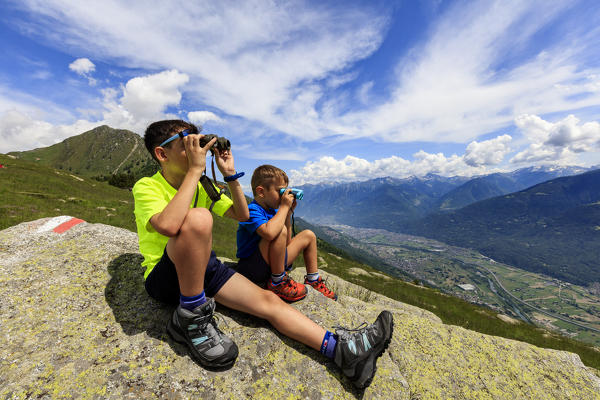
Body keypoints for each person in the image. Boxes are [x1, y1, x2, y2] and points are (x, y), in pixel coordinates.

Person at [132, 120, 394, 389]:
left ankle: (341, 351)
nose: (196, 148)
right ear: (161, 154)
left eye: (198, 141)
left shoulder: (202, 185)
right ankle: (189, 320)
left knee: (269, 300)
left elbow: (241, 214)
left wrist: (230, 174)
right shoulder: (147, 186)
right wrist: (196, 171)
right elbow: (169, 225)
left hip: (204, 269)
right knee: (198, 218)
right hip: (165, 277)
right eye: (187, 143)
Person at [236, 165, 336, 302]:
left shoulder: (275, 211)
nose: (284, 195)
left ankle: (313, 280)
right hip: (253, 269)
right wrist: (284, 207)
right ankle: (278, 283)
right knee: (278, 230)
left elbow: (286, 243)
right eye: (280, 191)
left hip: (272, 263)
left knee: (309, 235)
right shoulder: (252, 211)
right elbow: (270, 234)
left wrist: (287, 213)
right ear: (261, 192)